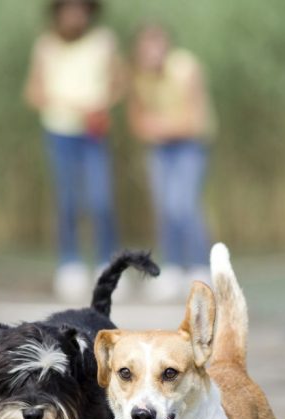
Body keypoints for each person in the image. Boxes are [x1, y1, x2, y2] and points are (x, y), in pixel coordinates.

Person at [23, 0, 125, 302]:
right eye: (69, 8)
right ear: (58, 12)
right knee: (66, 199)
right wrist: (68, 105)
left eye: (80, 8)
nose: (75, 14)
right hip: (59, 131)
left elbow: (120, 81)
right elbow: (34, 91)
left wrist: (101, 104)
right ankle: (70, 263)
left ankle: (110, 263)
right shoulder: (46, 45)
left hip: (93, 132)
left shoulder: (103, 41)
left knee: (101, 198)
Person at [129, 24, 216, 301]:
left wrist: (162, 126)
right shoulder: (139, 75)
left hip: (189, 146)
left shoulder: (186, 67)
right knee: (164, 207)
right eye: (146, 48)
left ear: (166, 46)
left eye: (156, 46)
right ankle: (171, 268)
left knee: (185, 205)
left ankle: (201, 267)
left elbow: (195, 119)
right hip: (160, 149)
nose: (151, 53)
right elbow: (138, 119)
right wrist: (154, 128)